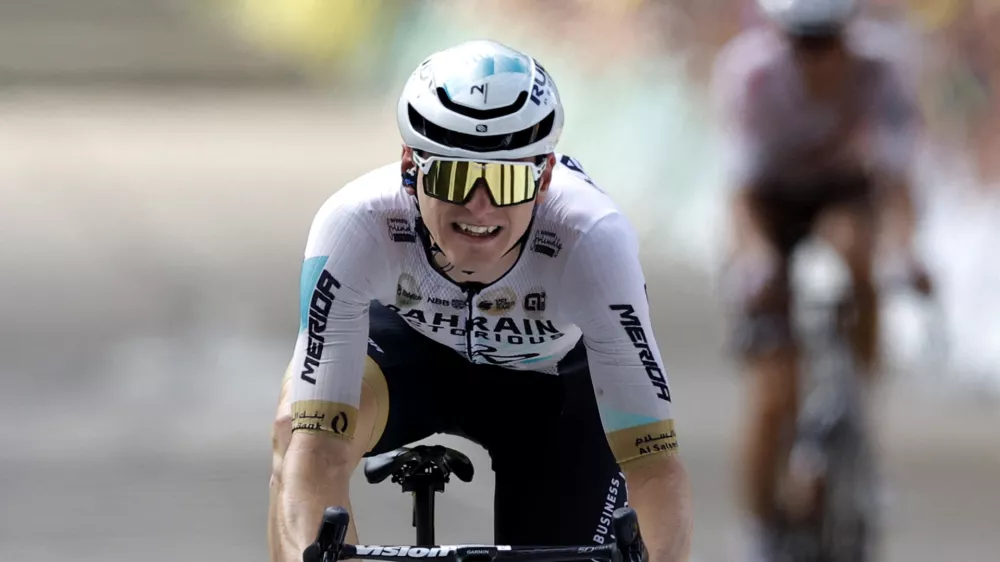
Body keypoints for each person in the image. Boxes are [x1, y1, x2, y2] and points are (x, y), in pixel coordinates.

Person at [268, 39, 693, 562]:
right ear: (410, 167)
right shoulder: (355, 224)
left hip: (550, 389)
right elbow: (318, 452)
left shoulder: (593, 240)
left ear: (544, 178)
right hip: (409, 359)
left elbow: (654, 468)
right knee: (295, 430)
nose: (480, 207)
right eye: (454, 176)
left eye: (506, 180)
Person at [710, 0, 933, 552]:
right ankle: (761, 527)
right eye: (802, 42)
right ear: (780, 35)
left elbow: (898, 183)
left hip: (842, 196)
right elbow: (740, 194)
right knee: (772, 393)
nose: (816, 58)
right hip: (770, 208)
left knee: (856, 250)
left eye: (827, 40)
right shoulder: (750, 73)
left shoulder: (882, 69)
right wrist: (756, 263)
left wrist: (907, 254)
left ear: (850, 31)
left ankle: (859, 395)